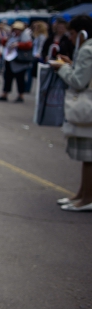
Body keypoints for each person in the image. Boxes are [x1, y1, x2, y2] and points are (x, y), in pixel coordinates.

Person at [50, 15, 92, 211]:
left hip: (87, 109)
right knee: (87, 158)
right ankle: (82, 194)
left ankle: (86, 198)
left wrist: (62, 68)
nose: (72, 39)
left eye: (73, 34)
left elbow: (79, 81)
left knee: (88, 157)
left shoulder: (87, 49)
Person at [0, 21, 33, 103]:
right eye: (15, 29)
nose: (16, 31)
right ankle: (5, 94)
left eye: (18, 29)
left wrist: (18, 44)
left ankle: (21, 95)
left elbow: (29, 45)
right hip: (9, 60)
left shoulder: (25, 36)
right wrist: (6, 38)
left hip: (19, 61)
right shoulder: (11, 36)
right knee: (7, 78)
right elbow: (4, 43)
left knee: (20, 79)